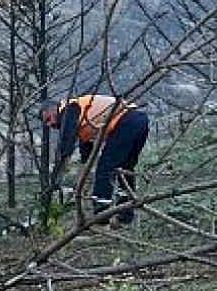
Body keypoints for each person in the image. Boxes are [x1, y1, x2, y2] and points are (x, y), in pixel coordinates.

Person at [41, 94, 149, 226]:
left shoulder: (69, 109)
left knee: (105, 168)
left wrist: (56, 177)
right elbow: (86, 148)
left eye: (48, 119)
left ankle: (101, 213)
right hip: (139, 120)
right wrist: (83, 170)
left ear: (53, 109)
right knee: (124, 169)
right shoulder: (80, 114)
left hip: (126, 122)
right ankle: (125, 213)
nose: (50, 124)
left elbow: (66, 145)